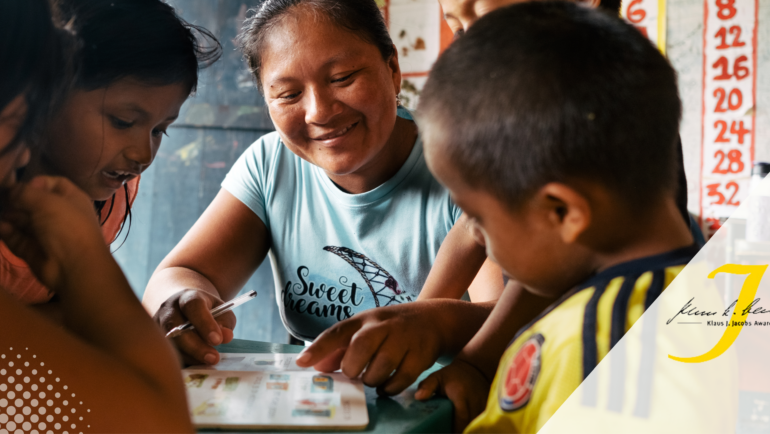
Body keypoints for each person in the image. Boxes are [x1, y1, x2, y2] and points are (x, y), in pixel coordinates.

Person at [142, 0, 504, 384]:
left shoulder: (466, 168)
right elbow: (183, 273)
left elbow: (511, 314)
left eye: (343, 77)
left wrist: (436, 324)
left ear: (393, 68)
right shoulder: (271, 164)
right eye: (287, 94)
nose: (318, 112)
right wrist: (182, 301)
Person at [413, 3, 700, 431]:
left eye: (480, 219)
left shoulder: (598, 345)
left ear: (562, 212)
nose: (477, 238)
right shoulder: (683, 295)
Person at [0, 1, 191, 431]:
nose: (144, 154)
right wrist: (88, 267)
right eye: (17, 117)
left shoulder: (96, 197)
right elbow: (156, 422)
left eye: (161, 129)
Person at [4, 0, 222, 305]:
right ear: (43, 95)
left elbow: (73, 310)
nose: (143, 155)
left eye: (160, 130)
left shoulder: (111, 197)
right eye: (123, 122)